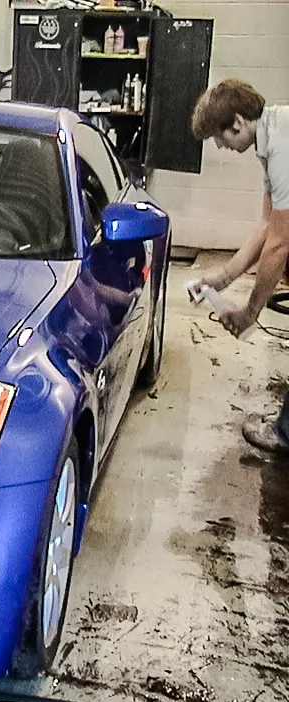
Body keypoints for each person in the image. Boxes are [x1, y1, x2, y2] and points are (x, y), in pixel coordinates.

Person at [191, 78, 289, 454]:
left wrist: (250, 311)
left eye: (220, 136)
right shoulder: (270, 140)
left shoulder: (281, 146)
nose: (220, 145)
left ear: (236, 122)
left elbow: (279, 245)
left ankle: (286, 433)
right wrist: (224, 277)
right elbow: (267, 226)